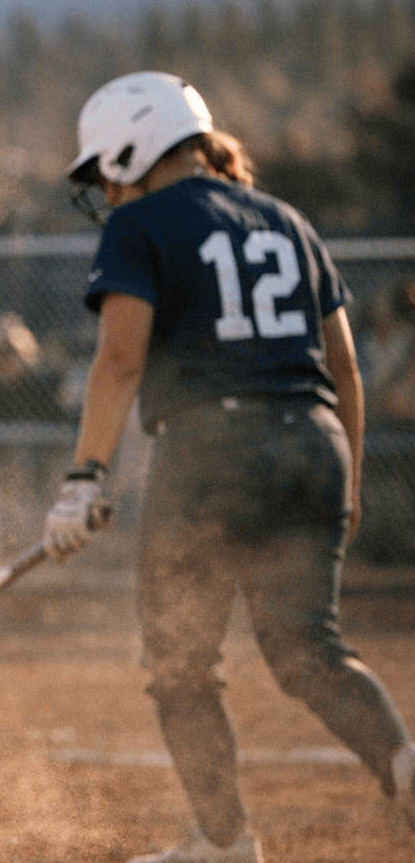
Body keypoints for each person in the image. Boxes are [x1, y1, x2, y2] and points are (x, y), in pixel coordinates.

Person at [43, 71, 415, 863]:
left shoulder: (141, 224)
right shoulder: (287, 219)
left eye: (107, 167)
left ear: (134, 144)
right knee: (311, 651)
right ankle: (403, 762)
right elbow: (345, 368)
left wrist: (84, 478)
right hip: (317, 442)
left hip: (214, 454)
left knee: (181, 667)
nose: (107, 188)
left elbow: (118, 361)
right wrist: (344, 480)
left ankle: (225, 844)